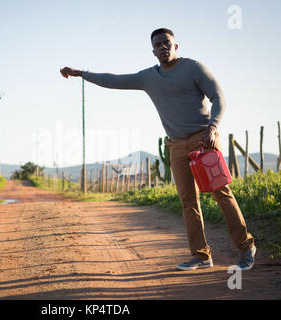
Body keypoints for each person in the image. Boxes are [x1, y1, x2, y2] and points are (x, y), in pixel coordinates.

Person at [60, 27, 256, 271]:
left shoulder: (194, 67)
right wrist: (81, 73)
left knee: (221, 193)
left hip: (202, 139)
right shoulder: (148, 77)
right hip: (175, 145)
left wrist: (213, 127)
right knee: (188, 201)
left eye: (167, 42)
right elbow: (114, 80)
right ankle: (201, 256)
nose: (163, 47)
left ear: (175, 46)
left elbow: (219, 97)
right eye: (158, 44)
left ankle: (246, 247)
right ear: (153, 51)